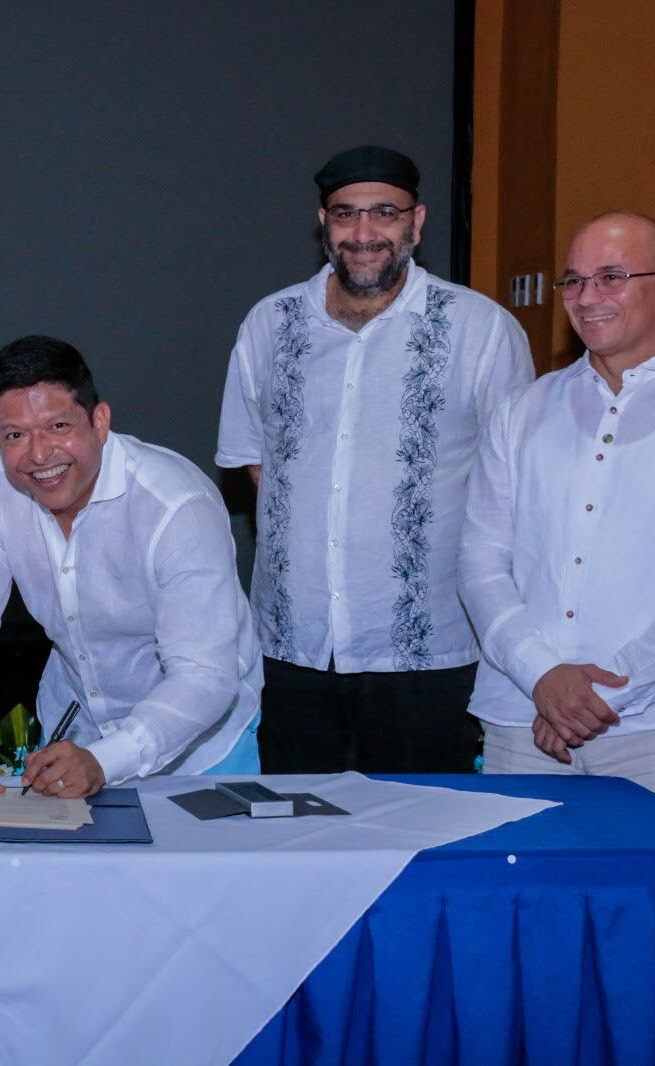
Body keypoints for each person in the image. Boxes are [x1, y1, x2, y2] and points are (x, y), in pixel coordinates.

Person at [215, 145, 533, 774]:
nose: (363, 234)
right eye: (345, 215)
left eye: (384, 214)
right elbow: (257, 463)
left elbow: (515, 484)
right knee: (296, 841)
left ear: (417, 223)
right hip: (295, 649)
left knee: (424, 836)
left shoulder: (480, 330)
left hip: (425, 654)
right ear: (323, 223)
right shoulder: (269, 324)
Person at [461, 213, 655, 817]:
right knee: (520, 910)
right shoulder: (520, 413)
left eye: (612, 277)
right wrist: (543, 678)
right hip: (523, 723)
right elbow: (481, 563)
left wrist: (584, 699)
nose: (588, 297)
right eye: (575, 280)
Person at [0, 335, 262, 800]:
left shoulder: (175, 505)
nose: (38, 454)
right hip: (74, 740)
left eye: (58, 426)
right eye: (15, 434)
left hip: (201, 750)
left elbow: (204, 676)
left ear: (100, 421)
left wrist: (106, 759)